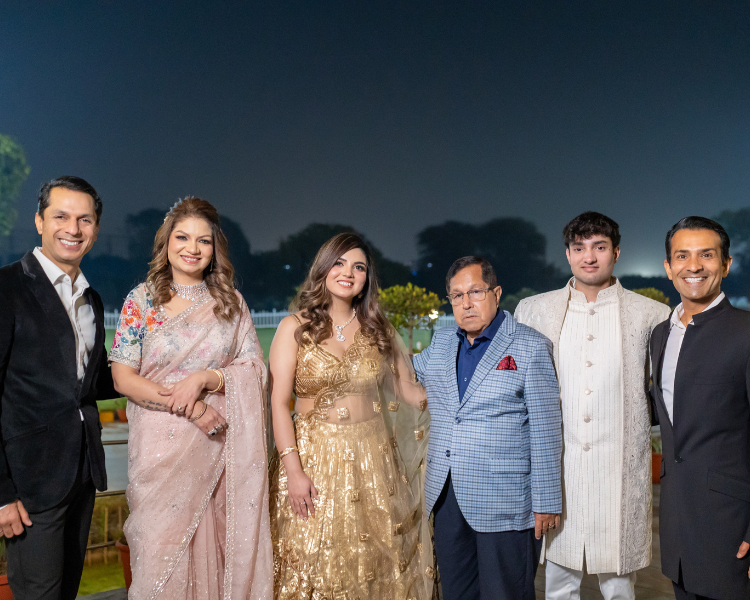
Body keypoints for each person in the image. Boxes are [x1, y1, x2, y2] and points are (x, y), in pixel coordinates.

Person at [109, 197, 272, 599]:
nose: (192, 248)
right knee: (159, 561)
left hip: (218, 448)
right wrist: (194, 408)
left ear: (215, 249)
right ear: (166, 243)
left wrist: (206, 378)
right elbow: (123, 379)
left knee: (219, 550)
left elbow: (255, 369)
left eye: (203, 240)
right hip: (159, 452)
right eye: (182, 237)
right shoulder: (141, 301)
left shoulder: (231, 304)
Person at [268, 232, 433, 600]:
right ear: (323, 269)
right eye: (340, 263)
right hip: (313, 461)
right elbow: (278, 403)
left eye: (359, 267)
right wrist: (293, 472)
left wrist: (464, 395)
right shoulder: (294, 328)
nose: (348, 272)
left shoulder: (378, 330)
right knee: (313, 559)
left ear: (366, 279)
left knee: (377, 562)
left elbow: (410, 393)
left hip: (374, 462)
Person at [515, 212, 670, 599]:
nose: (589, 256)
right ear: (568, 254)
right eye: (579, 248)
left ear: (615, 252)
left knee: (618, 585)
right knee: (559, 582)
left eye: (599, 247)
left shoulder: (652, 315)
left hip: (618, 474)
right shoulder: (534, 311)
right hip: (559, 471)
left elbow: (665, 392)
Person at [412, 255, 562, 599]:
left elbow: (546, 430)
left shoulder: (530, 346)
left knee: (505, 593)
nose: (466, 303)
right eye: (457, 295)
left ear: (495, 293)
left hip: (506, 501)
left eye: (475, 292)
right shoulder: (442, 342)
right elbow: (403, 373)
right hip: (448, 498)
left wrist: (547, 500)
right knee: (456, 592)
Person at [0, 176, 117, 600]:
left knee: (66, 592)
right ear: (39, 221)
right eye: (61, 216)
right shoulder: (7, 288)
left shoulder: (92, 299)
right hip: (29, 485)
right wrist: (1, 496)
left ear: (96, 229)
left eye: (85, 219)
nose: (73, 228)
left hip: (81, 475)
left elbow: (90, 382)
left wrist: (166, 372)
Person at [650, 216, 750, 600]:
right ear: (668, 267)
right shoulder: (660, 335)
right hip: (677, 527)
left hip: (732, 527)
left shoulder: (745, 332)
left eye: (706, 255)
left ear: (726, 264)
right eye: (682, 256)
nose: (693, 266)